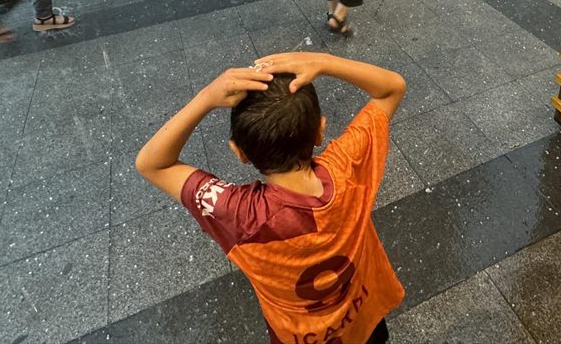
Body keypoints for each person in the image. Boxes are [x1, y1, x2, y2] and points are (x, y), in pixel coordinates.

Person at [135, 52, 407, 343]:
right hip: (363, 318)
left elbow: (153, 163)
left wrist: (206, 97)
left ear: (238, 152)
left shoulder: (239, 216)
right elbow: (392, 87)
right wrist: (321, 61)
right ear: (320, 131)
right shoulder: (348, 167)